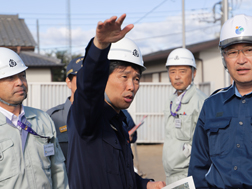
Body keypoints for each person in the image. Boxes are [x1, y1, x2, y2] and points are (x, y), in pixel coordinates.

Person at [67, 14, 166, 189]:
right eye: (124, 77)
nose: (132, 86)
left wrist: (145, 185)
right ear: (103, 77)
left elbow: (119, 175)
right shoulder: (88, 117)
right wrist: (100, 46)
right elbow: (89, 86)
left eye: (136, 79)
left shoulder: (119, 122)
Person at [188, 14, 252, 188]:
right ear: (224, 58)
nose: (241, 60)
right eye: (232, 52)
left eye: (249, 50)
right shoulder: (211, 105)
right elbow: (198, 167)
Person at [0, 47, 68, 188]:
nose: (20, 82)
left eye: (22, 75)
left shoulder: (43, 119)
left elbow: (58, 171)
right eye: (10, 77)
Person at [162, 48, 207, 185]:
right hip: (170, 173)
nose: (176, 76)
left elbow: (206, 144)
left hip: (187, 174)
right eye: (172, 71)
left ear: (193, 73)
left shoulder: (201, 102)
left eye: (182, 71)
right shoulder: (172, 99)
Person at [46, 56, 83, 165]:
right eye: (81, 77)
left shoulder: (106, 116)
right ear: (69, 82)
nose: (87, 83)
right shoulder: (52, 118)